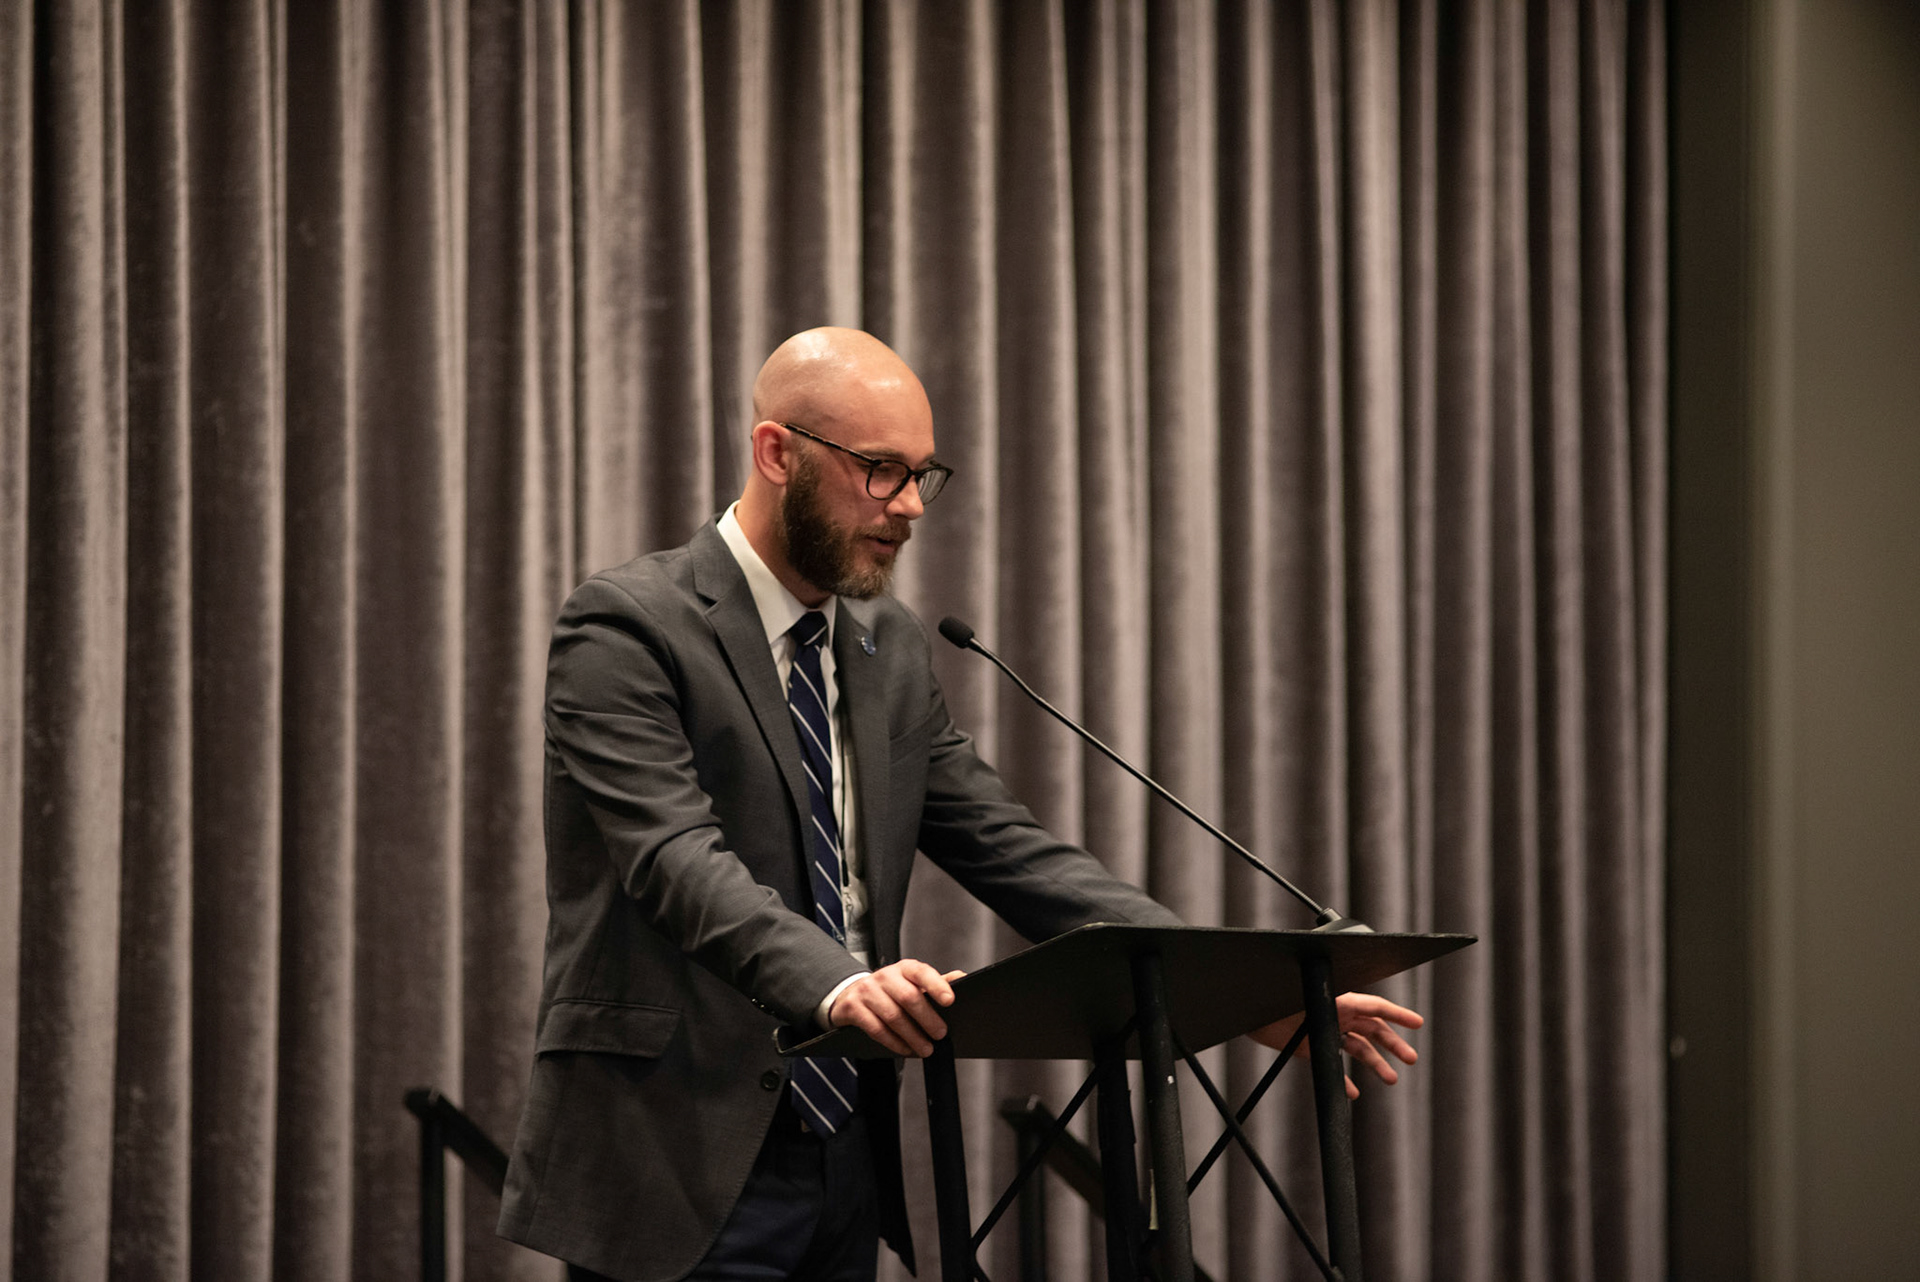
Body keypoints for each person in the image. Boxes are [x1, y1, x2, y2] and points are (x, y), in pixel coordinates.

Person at [497, 328, 1422, 1282]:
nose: (907, 507)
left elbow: (1010, 850)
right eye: (880, 472)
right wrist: (839, 984)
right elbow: (673, 856)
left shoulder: (887, 649)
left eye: (921, 476)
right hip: (675, 1146)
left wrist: (1237, 997)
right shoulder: (626, 624)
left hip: (847, 1141)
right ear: (777, 454)